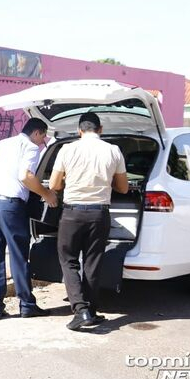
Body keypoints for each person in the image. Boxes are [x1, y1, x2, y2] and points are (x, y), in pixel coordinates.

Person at [49, 112, 128, 331]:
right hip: (99, 214)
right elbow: (123, 187)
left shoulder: (67, 149)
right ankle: (90, 311)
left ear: (79, 130)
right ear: (100, 129)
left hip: (72, 213)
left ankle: (81, 310)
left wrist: (69, 179)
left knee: (69, 261)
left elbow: (54, 185)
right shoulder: (113, 150)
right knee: (93, 263)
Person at [0, 118, 58, 320]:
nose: (42, 143)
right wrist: (46, 193)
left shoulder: (2, 144)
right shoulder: (31, 148)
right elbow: (26, 176)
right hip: (10, 206)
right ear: (37, 133)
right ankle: (27, 305)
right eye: (43, 138)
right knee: (18, 255)